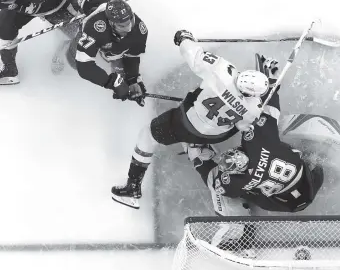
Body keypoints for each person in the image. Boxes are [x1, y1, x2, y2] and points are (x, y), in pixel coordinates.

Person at [111, 30, 270, 209]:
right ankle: (199, 146)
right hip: (215, 135)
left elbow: (195, 57)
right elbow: (242, 125)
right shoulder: (254, 108)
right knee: (228, 123)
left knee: (147, 135)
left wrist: (184, 38)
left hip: (186, 124)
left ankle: (132, 188)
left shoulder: (223, 71)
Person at [184, 54, 324, 253]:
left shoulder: (236, 181)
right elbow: (270, 111)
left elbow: (216, 181)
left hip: (291, 204)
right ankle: (330, 153)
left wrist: (198, 154)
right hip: (310, 178)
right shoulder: (260, 143)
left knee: (218, 184)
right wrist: (272, 80)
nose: (231, 153)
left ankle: (238, 230)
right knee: (283, 133)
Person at [74, 0, 148, 105]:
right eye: (122, 26)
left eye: (129, 23)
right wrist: (111, 82)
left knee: (124, 82)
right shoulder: (96, 27)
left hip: (112, 47)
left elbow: (132, 55)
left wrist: (132, 79)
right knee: (72, 61)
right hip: (91, 37)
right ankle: (64, 49)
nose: (128, 29)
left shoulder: (140, 29)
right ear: (111, 23)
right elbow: (83, 66)